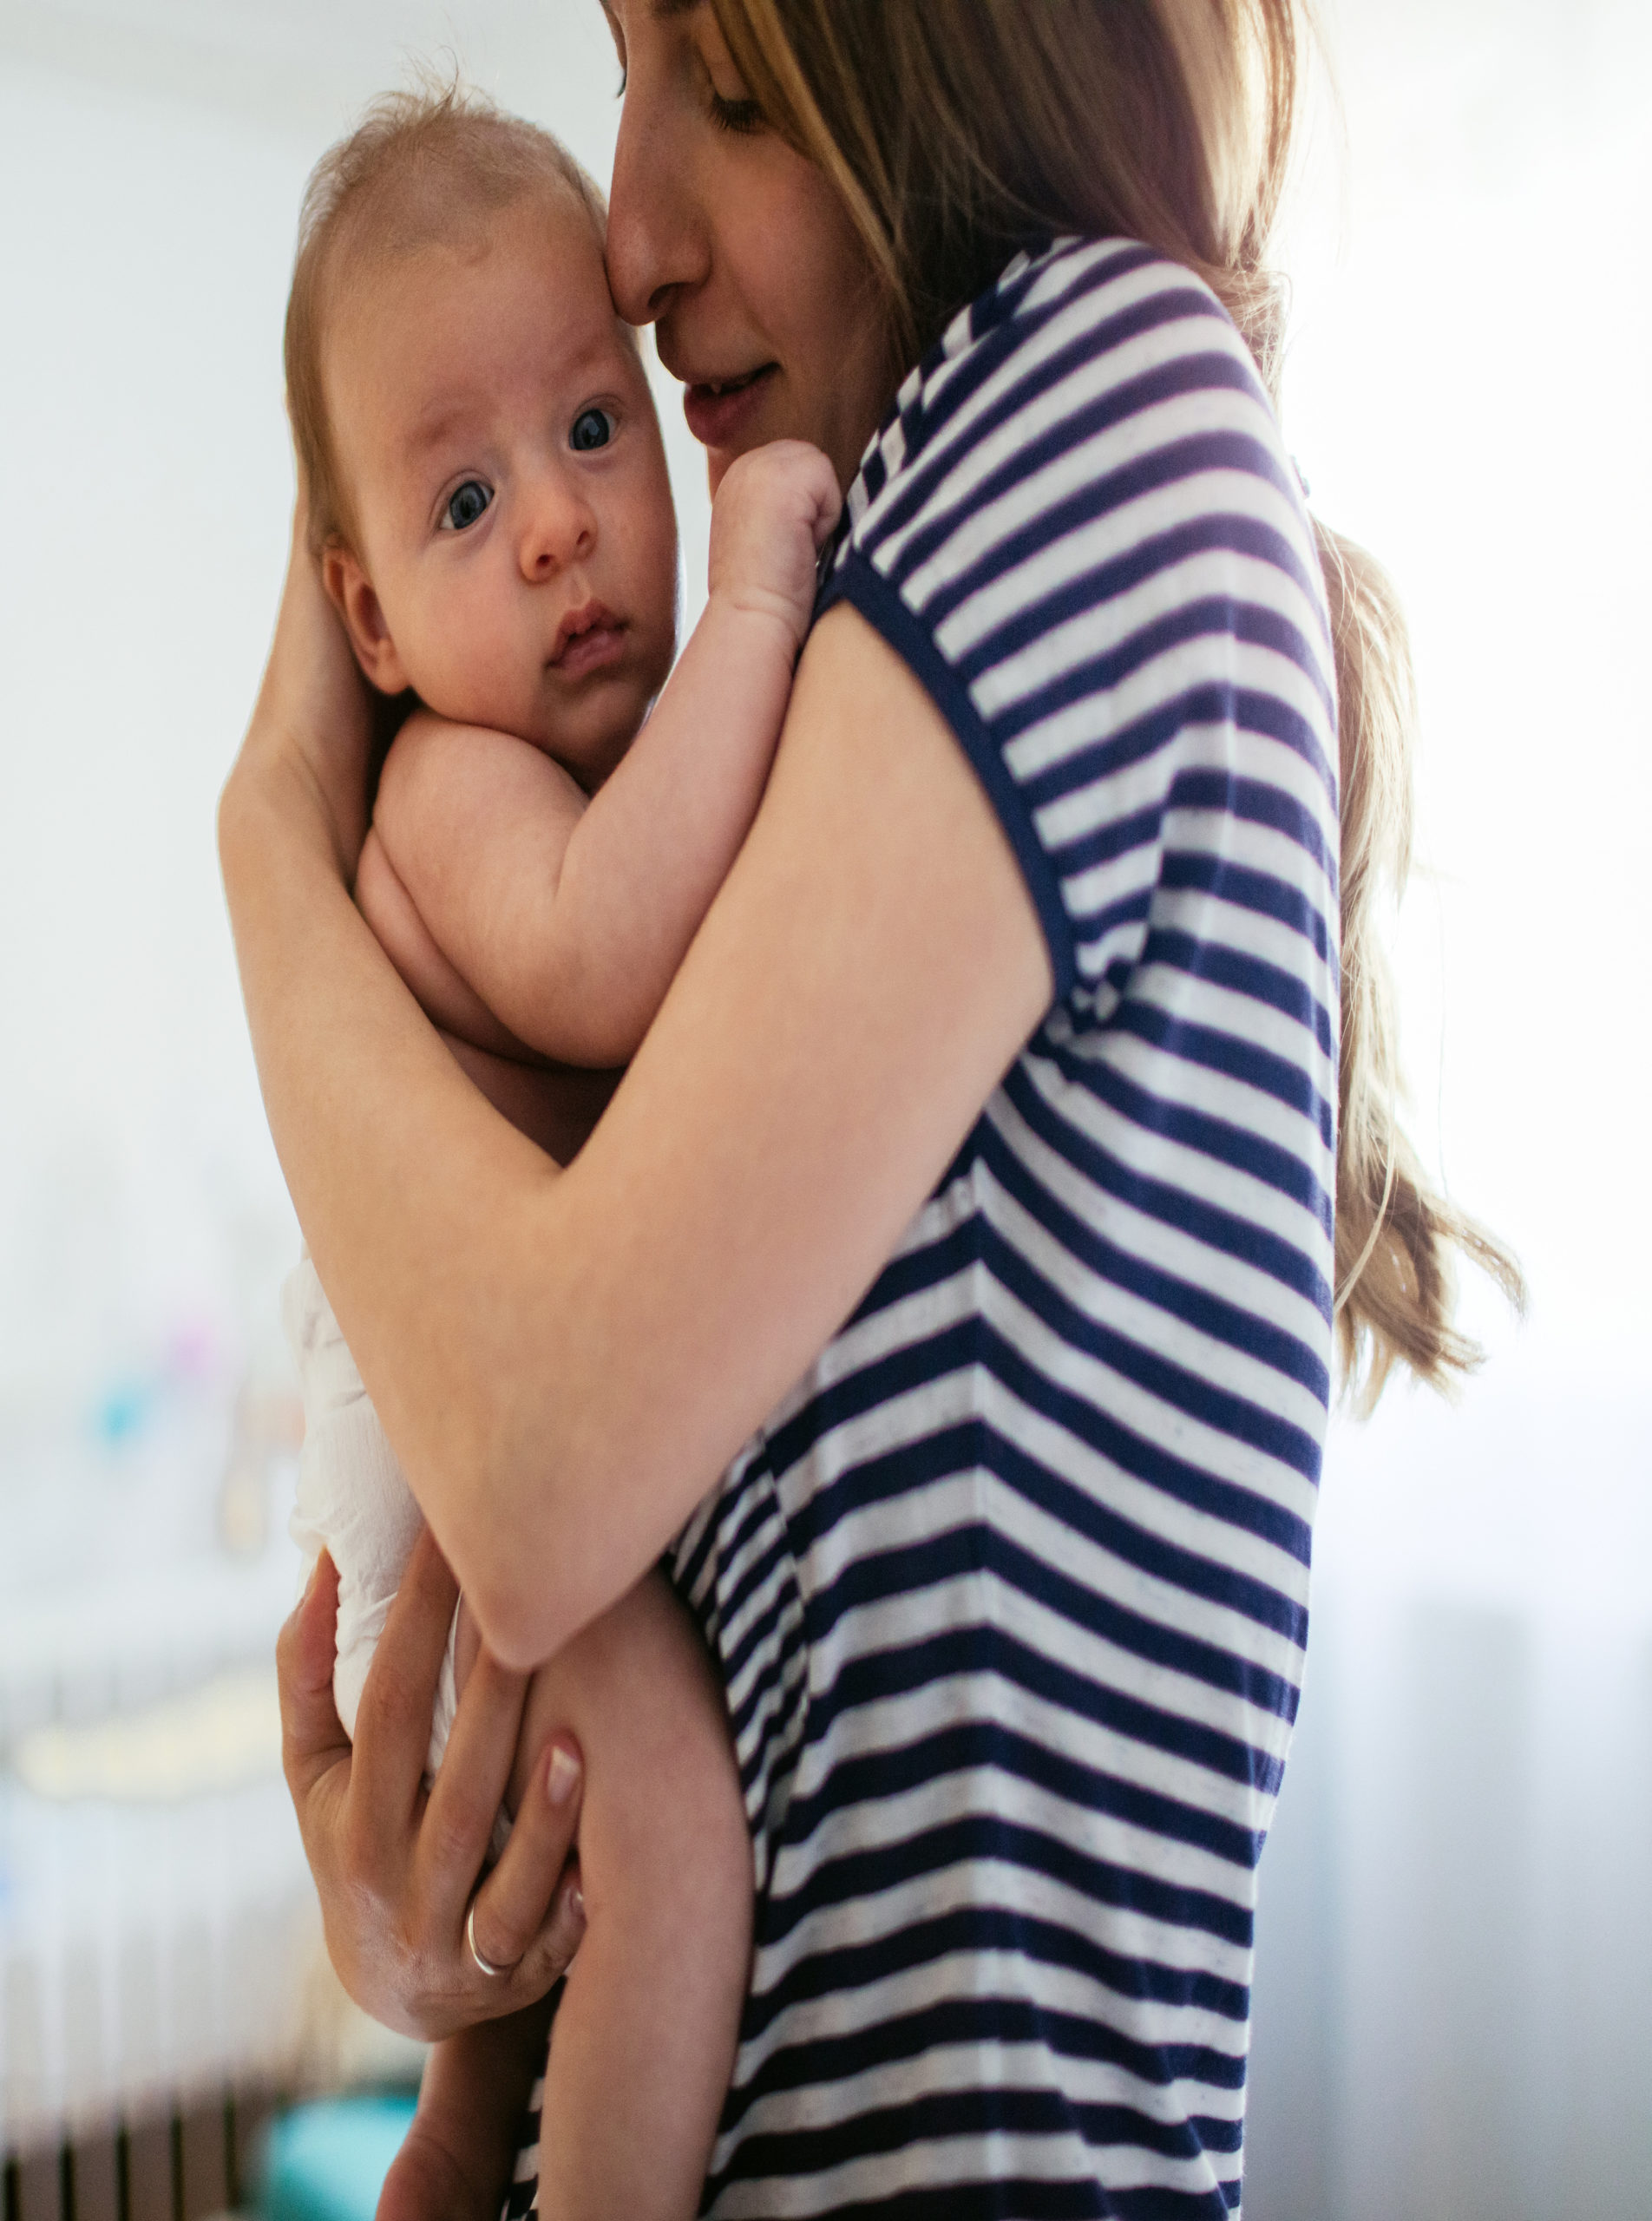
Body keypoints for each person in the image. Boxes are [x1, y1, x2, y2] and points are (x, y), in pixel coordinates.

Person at [222, 3, 1520, 2215]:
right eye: (622, 70)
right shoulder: (856, 575)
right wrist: (450, 1926)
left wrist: (266, 824)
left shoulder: (1083, 405)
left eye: (724, 84)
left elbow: (535, 1464)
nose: (625, 237)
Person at [273, 86, 842, 2221]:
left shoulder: (544, 750)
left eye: (592, 432)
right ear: (369, 629)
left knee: (490, 2034)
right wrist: (763, 597)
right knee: (669, 1824)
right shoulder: (449, 789)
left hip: (481, 1466)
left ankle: (449, 2156)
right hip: (441, 1506)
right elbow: (610, 957)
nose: (550, 527)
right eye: (461, 500)